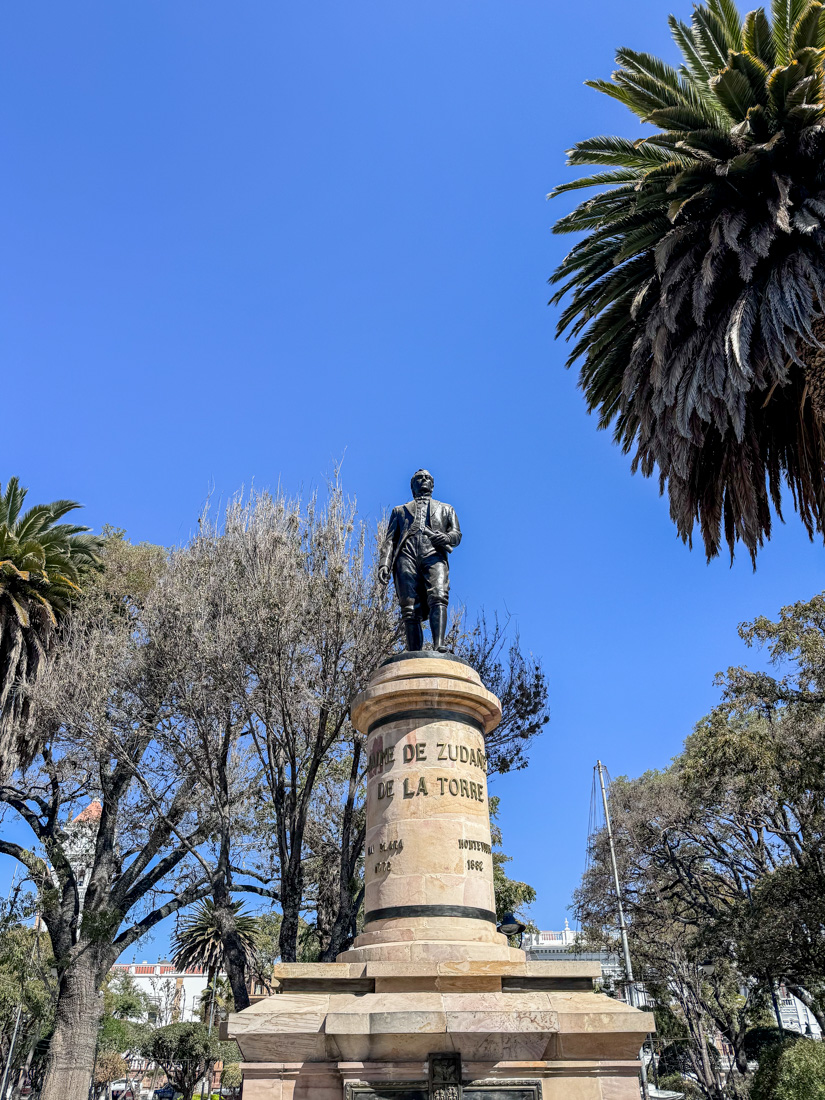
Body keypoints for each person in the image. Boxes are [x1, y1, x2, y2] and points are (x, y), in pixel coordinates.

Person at [378, 470, 461, 652]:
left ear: (432, 485)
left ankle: (439, 644)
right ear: (412, 485)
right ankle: (414, 651)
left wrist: (447, 538)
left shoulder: (446, 509)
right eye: (419, 478)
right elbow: (390, 540)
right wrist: (385, 563)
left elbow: (456, 534)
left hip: (433, 554)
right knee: (409, 607)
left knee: (438, 595)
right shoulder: (399, 511)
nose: (424, 480)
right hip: (406, 556)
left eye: (428, 478)